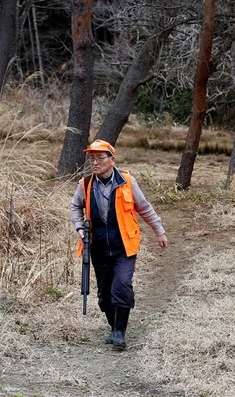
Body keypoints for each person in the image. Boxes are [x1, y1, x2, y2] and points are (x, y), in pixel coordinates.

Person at [70, 139, 168, 349]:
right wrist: (80, 228)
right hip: (98, 248)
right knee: (105, 295)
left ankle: (119, 332)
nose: (94, 163)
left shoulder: (127, 182)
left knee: (122, 285)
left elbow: (145, 208)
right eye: (92, 158)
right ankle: (114, 326)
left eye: (99, 158)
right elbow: (75, 207)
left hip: (124, 246)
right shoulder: (85, 184)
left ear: (111, 159)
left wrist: (159, 231)